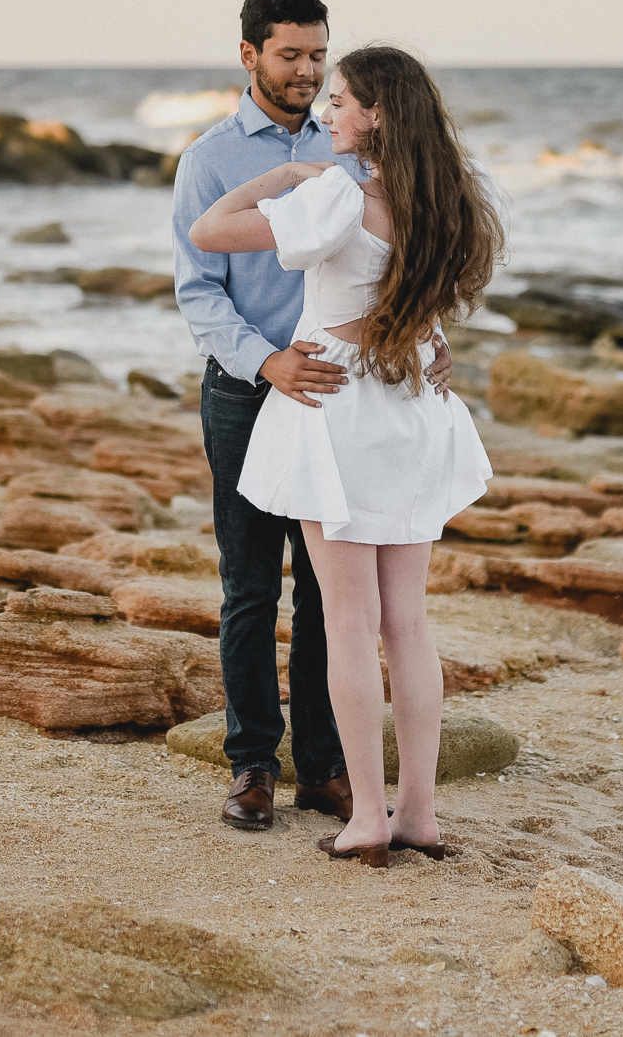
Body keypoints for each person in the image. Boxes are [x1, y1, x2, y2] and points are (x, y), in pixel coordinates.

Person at [188, 44, 503, 866]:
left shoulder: (334, 194)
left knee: (352, 622)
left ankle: (367, 813)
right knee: (408, 624)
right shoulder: (450, 197)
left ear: (378, 114)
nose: (326, 113)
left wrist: (280, 181)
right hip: (411, 407)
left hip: (339, 410)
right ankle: (420, 812)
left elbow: (207, 229)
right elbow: (421, 303)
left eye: (341, 100)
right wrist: (434, 340)